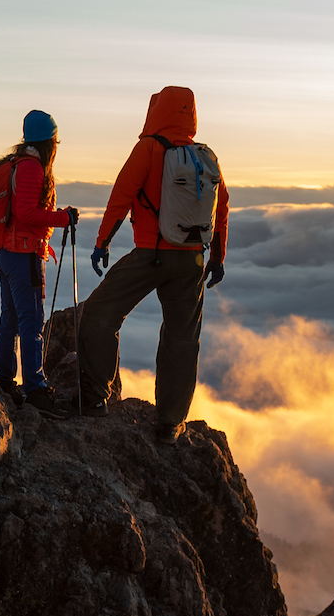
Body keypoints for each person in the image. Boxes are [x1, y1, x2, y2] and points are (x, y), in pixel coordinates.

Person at [80, 86, 229, 439]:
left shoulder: (148, 149)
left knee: (100, 313)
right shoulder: (204, 156)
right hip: (192, 259)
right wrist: (218, 258)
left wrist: (103, 243)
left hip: (151, 254)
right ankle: (170, 422)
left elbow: (121, 197)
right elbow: (221, 208)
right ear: (190, 113)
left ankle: (94, 398)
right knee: (182, 338)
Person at [0, 110, 83, 413]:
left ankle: (4, 381)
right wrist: (63, 218)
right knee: (31, 321)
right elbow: (27, 213)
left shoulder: (18, 164)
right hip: (24, 253)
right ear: (49, 143)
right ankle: (35, 390)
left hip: (7, 252)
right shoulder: (32, 168)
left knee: (12, 318)